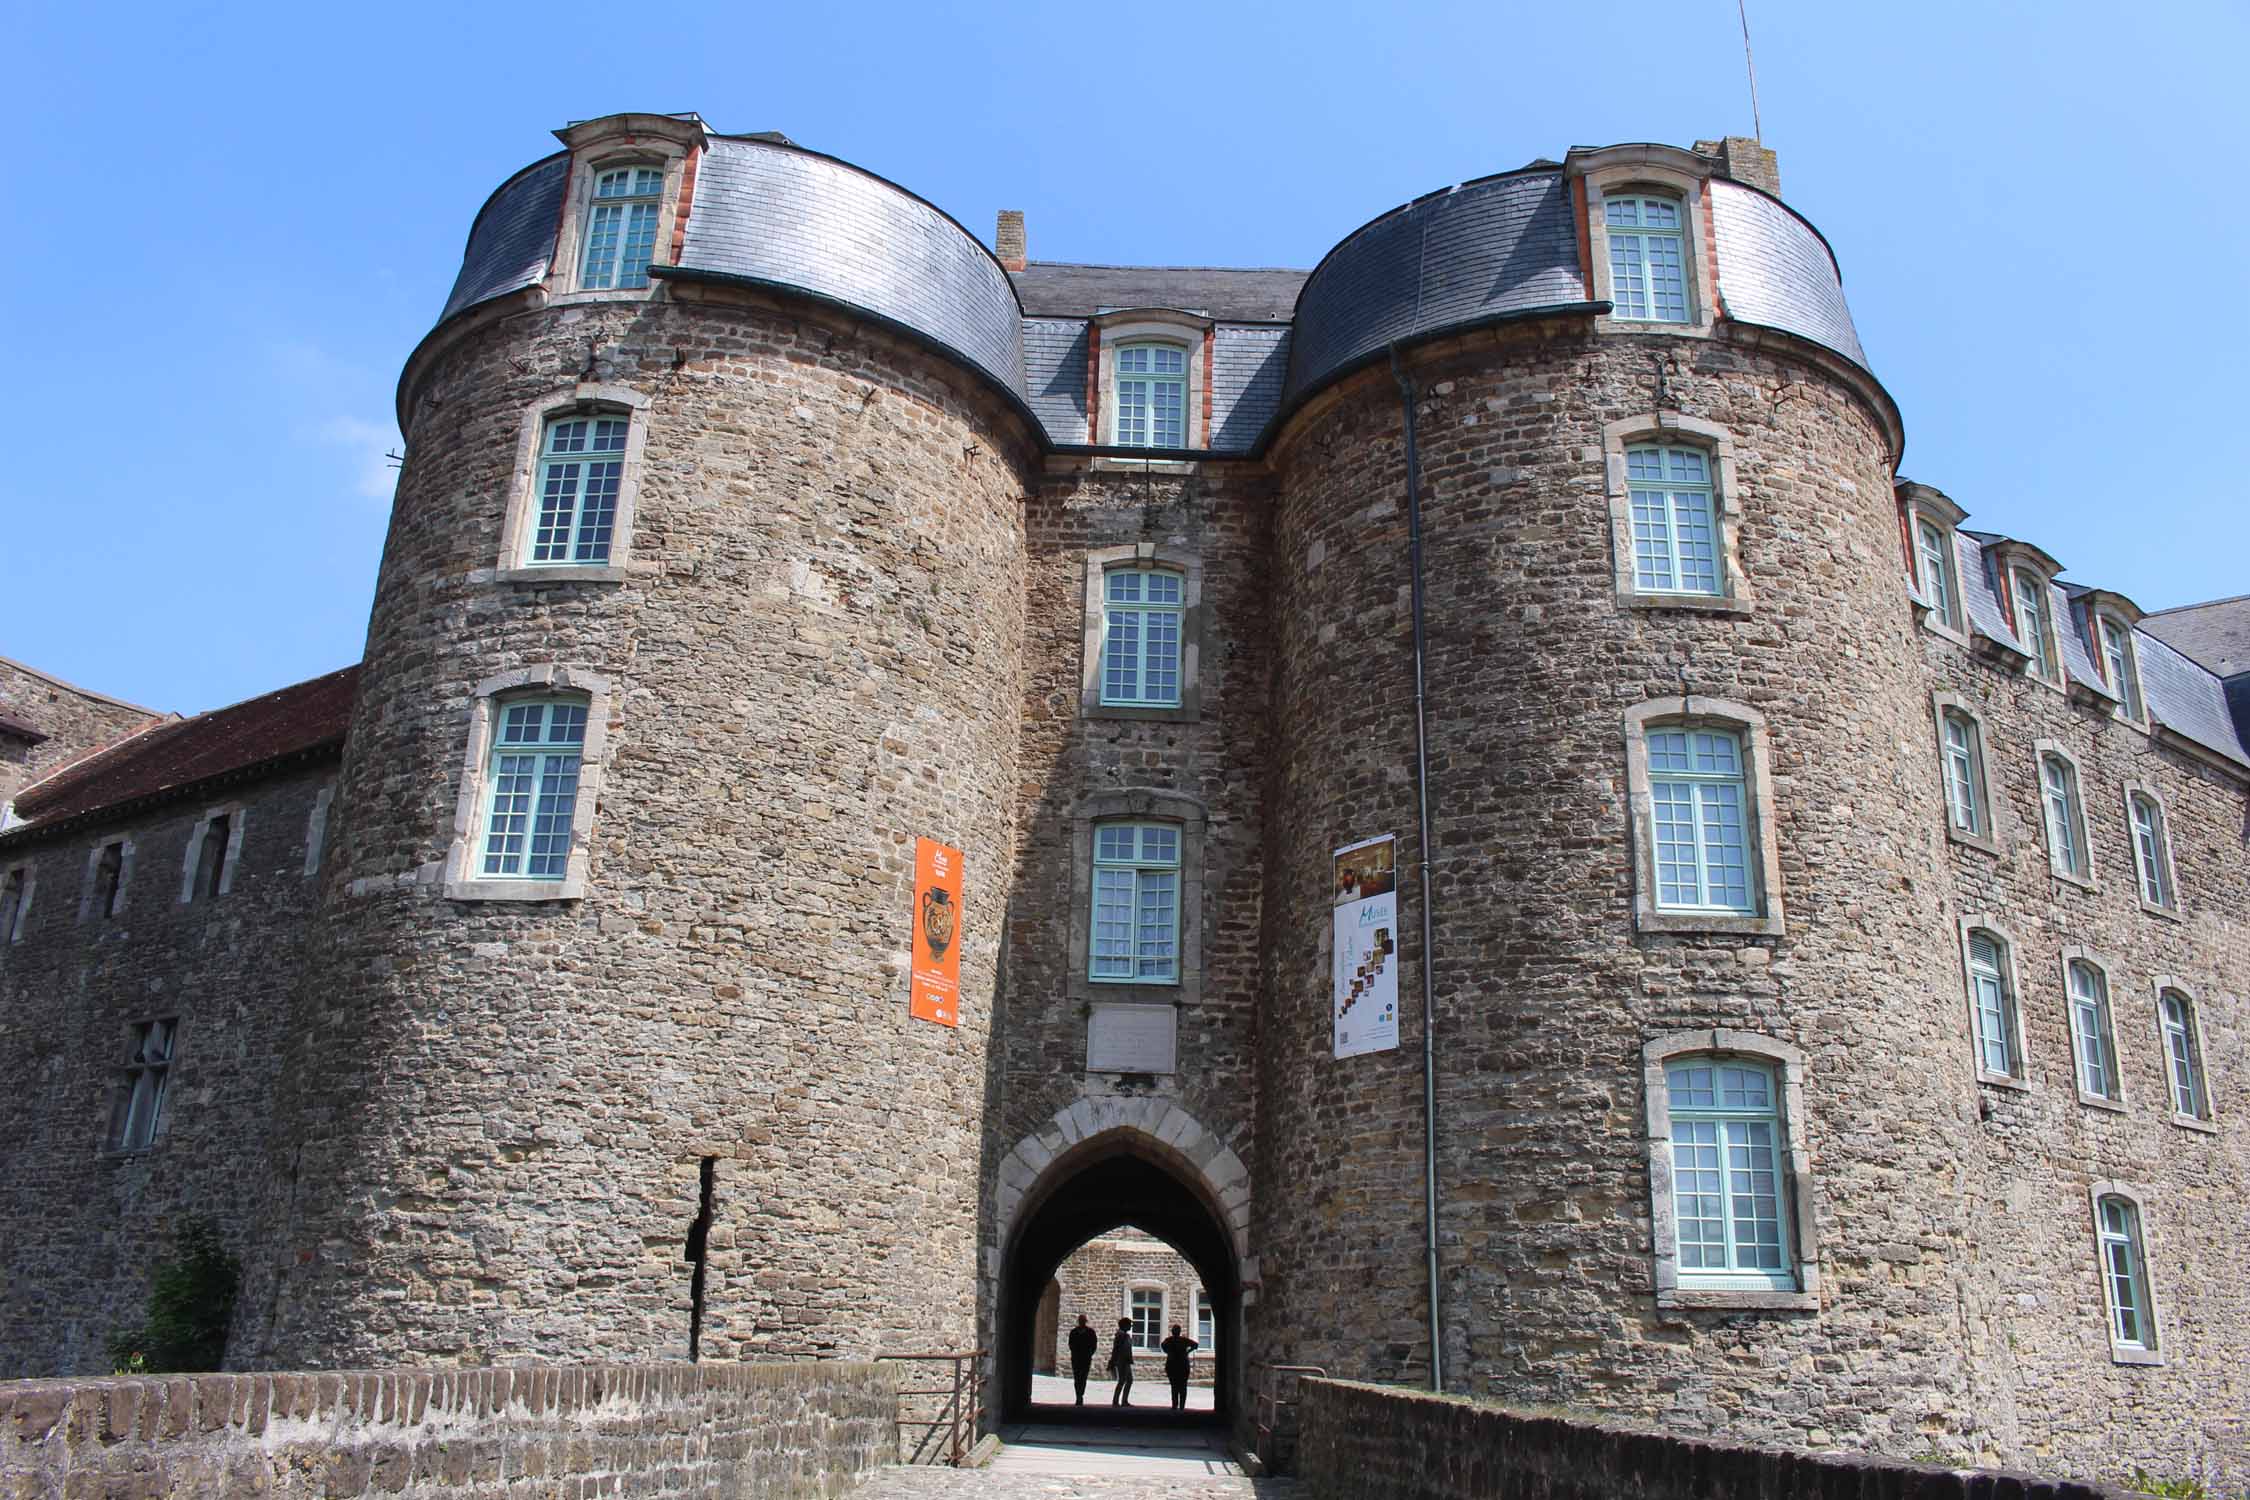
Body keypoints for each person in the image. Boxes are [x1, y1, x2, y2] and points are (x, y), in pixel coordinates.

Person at [1159, 1323, 1200, 1411]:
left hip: (1172, 1365)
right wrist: (1188, 1352)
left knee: (1174, 1386)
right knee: (1183, 1386)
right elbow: (1195, 1345)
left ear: (1173, 1332)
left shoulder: (1169, 1340)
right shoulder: (1183, 1340)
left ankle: (1175, 1405)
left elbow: (1162, 1346)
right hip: (1183, 1365)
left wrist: (1169, 1352)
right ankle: (1181, 1406)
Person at [1067, 1314, 1098, 1406]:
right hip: (1076, 1358)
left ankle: (1080, 1394)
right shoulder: (1074, 1332)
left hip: (1085, 1358)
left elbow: (1094, 1345)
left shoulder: (1090, 1332)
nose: (1082, 1322)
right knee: (1077, 1378)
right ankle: (1078, 1395)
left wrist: (1089, 1354)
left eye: (1083, 1321)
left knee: (1083, 1377)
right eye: (1081, 1321)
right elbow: (1071, 1344)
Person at [1108, 1317, 1135, 1406]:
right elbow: (1117, 1349)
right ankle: (1118, 1401)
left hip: (1124, 1361)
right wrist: (1114, 1360)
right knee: (1124, 1380)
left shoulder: (1122, 1335)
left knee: (1126, 1380)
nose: (1131, 1326)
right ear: (1124, 1325)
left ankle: (1122, 1400)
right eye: (1129, 1325)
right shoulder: (1122, 1335)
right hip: (1122, 1361)